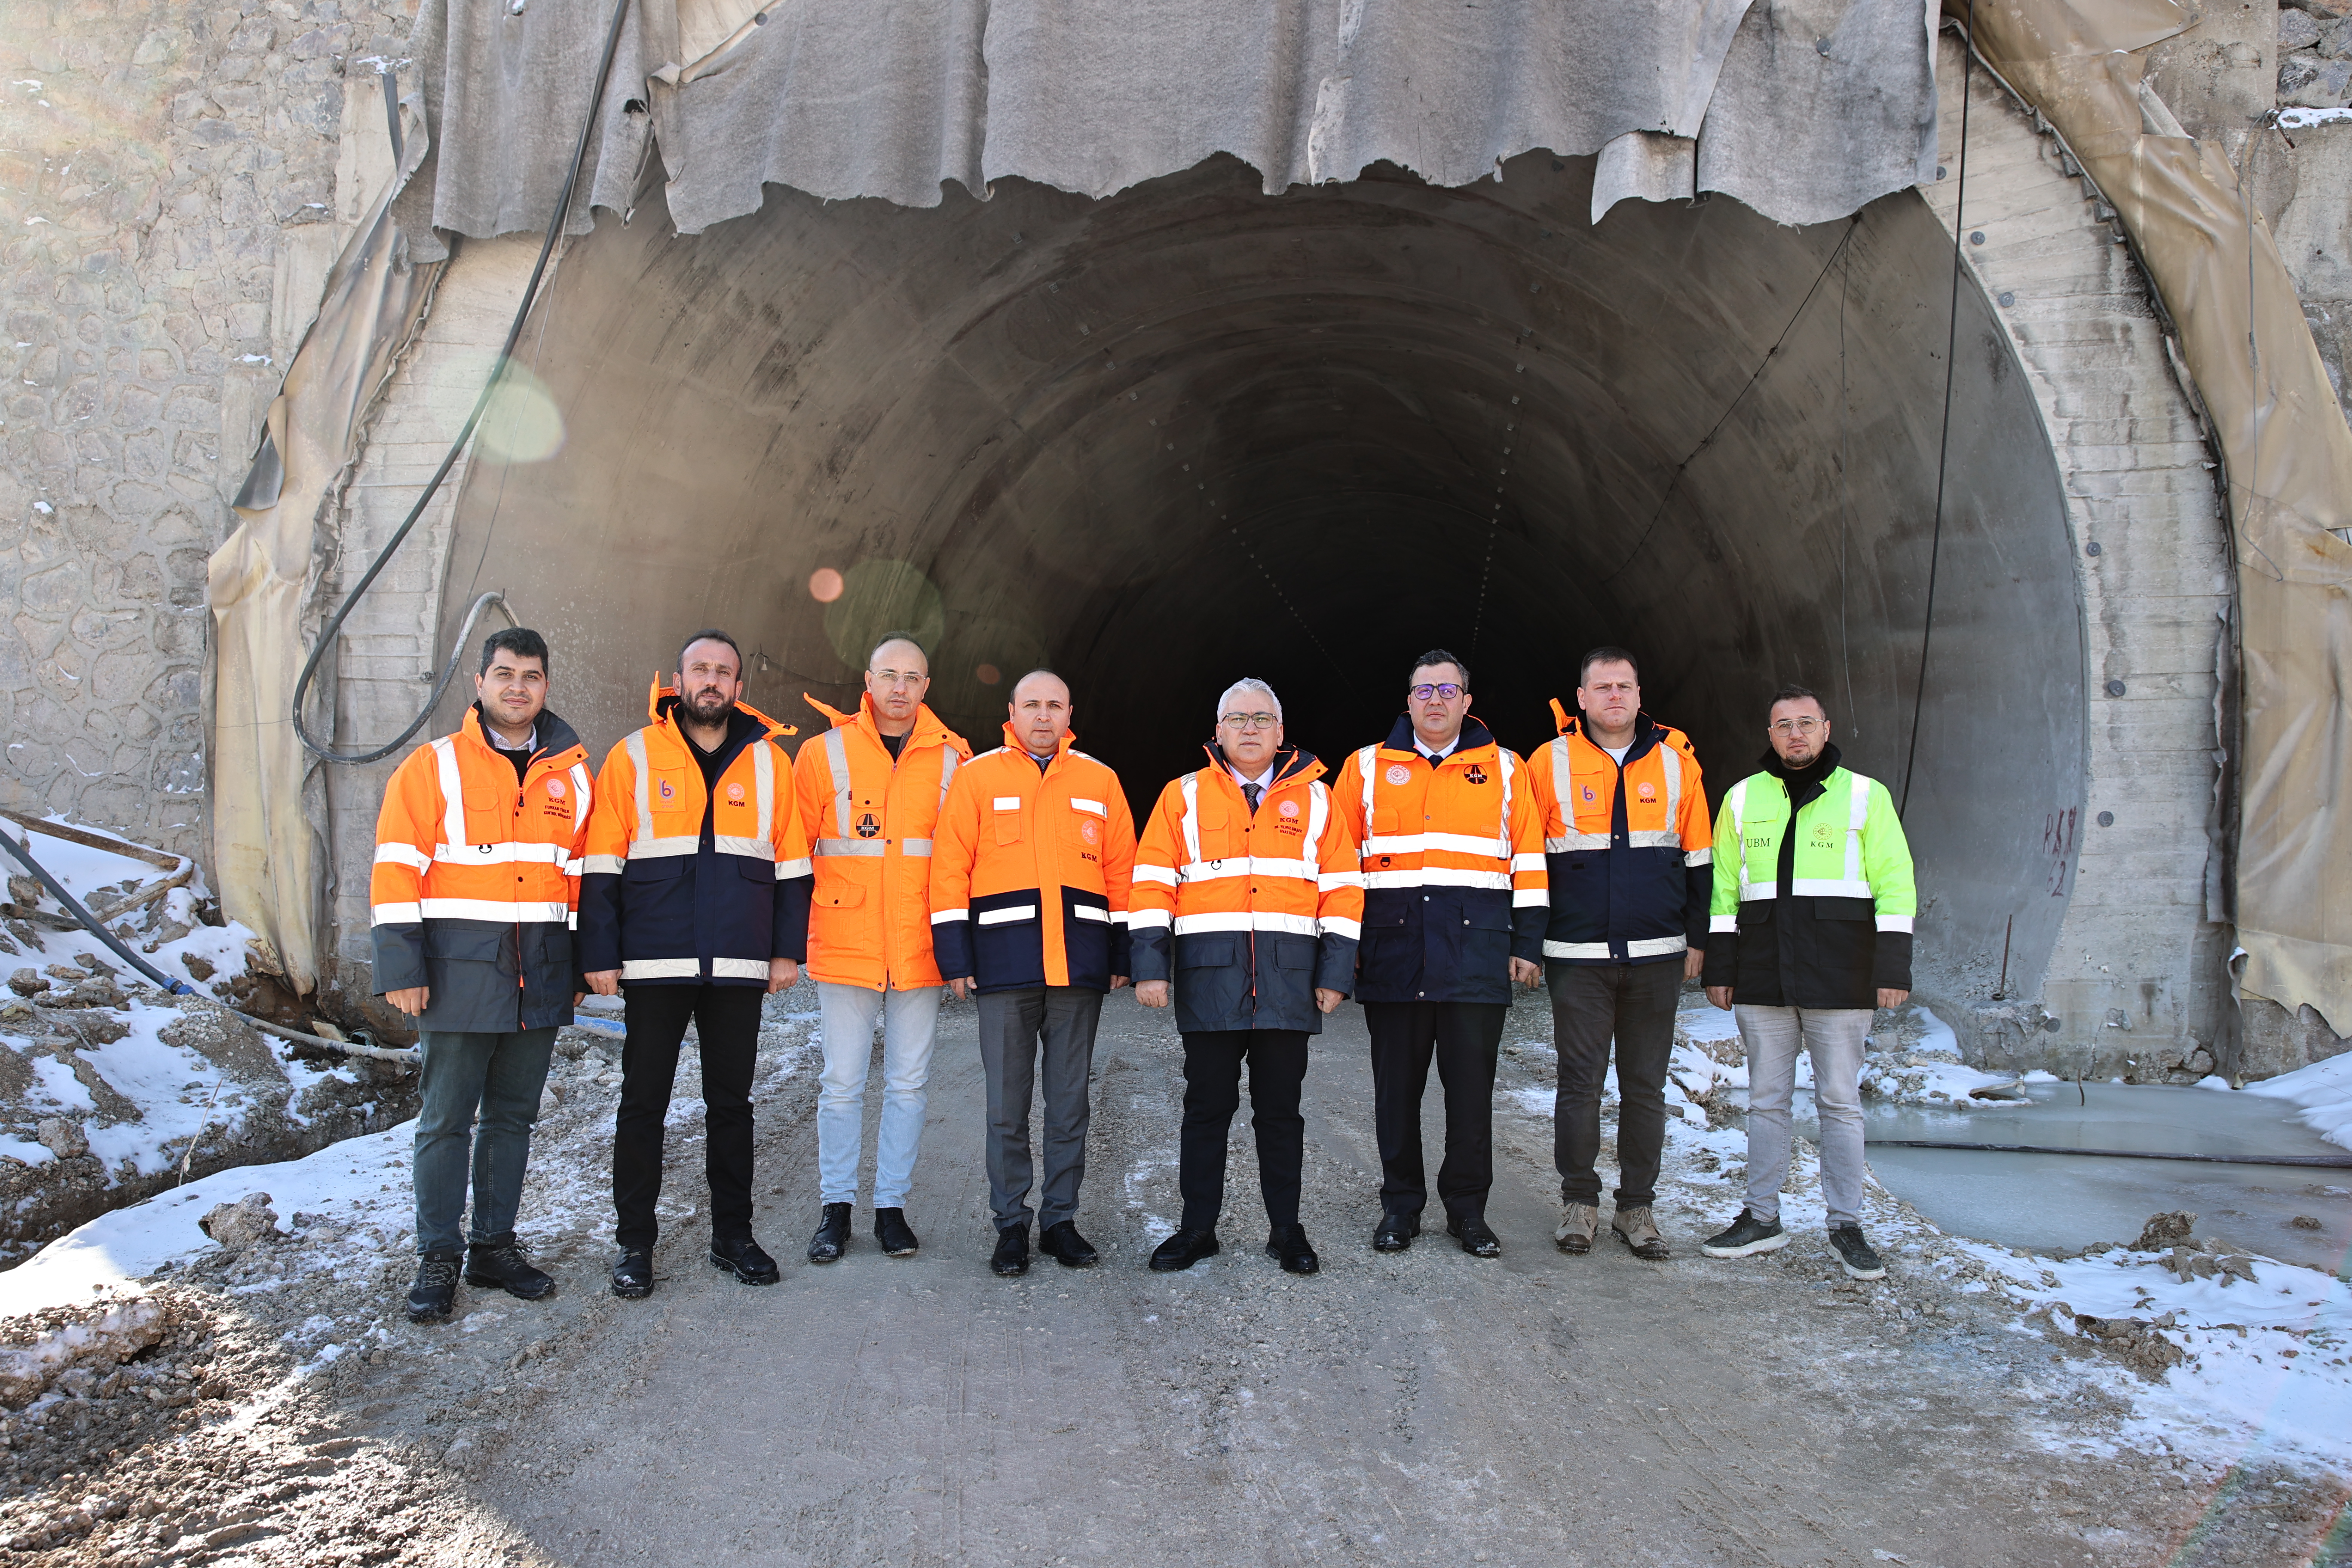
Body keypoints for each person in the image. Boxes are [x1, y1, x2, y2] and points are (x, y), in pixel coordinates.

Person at [579, 630, 812, 1299]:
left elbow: (793, 868)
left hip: (739, 964)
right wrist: (599, 954)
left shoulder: (771, 764)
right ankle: (634, 1246)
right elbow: (602, 863)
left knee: (732, 1107)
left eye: (724, 672)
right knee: (643, 1106)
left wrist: (785, 951)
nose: (712, 680)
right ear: (675, 681)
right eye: (700, 669)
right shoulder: (632, 756)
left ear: (741, 687)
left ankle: (733, 1237)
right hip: (653, 964)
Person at [371, 627, 593, 1324]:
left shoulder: (574, 773)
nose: (517, 687)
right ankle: (438, 1254)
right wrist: (401, 967)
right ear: (480, 683)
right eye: (504, 674)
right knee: (444, 1121)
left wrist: (582, 967)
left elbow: (584, 880)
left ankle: (493, 1246)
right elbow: (395, 870)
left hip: (542, 972)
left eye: (530, 676)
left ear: (546, 686)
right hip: (457, 973)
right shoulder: (431, 767)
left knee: (513, 1118)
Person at [1128, 678, 1363, 1276]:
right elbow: (1153, 886)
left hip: (1288, 981)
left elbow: (1342, 891)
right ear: (1219, 731)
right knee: (1206, 1109)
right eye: (1238, 718)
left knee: (1281, 1112)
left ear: (1282, 732)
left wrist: (1336, 973)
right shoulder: (1181, 796)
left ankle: (1286, 1230)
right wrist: (1150, 968)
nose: (1251, 728)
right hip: (1211, 980)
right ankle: (1197, 1230)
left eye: (1262, 718)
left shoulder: (1318, 801)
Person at [1334, 649, 1547, 1258]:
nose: (1435, 700)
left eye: (1448, 690)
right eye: (1424, 690)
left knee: (1471, 1097)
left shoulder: (1506, 769)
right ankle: (1400, 1209)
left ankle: (1467, 1212)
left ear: (1467, 701)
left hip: (1476, 958)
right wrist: (1344, 948)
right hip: (1394, 956)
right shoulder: (1366, 767)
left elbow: (1528, 861)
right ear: (1407, 701)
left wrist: (1527, 944)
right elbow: (1339, 866)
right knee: (1395, 1095)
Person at [1699, 683, 1916, 1282]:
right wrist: (1720, 967)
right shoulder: (1742, 800)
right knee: (1766, 1100)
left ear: (1826, 728)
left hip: (1841, 975)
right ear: (1769, 736)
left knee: (1840, 1104)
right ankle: (1761, 1217)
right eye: (1783, 725)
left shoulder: (1866, 797)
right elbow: (1723, 893)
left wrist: (1892, 967)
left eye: (1806, 723)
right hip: (1764, 974)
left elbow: (1896, 882)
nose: (1795, 734)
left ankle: (1847, 1225)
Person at [930, 669, 1136, 1277]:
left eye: (1054, 705)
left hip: (1078, 965)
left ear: (1070, 711)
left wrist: (1124, 955)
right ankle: (1011, 1224)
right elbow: (949, 870)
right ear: (1012, 713)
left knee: (1069, 1102)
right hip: (1003, 964)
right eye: (1032, 705)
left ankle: (1061, 1221)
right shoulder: (976, 778)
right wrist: (955, 957)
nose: (1043, 716)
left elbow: (1122, 875)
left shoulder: (1100, 780)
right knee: (1006, 1105)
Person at [1525, 648, 1712, 1262]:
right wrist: (1526, 944)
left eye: (1623, 686)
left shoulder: (1678, 764)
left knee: (1645, 1087)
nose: (1613, 696)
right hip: (1576, 956)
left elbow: (1700, 861)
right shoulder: (1545, 763)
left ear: (1639, 694)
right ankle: (1579, 1202)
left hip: (1657, 956)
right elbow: (1526, 860)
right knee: (1579, 1083)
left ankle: (1637, 1207)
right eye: (1600, 687)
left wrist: (1700, 939)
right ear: (1579, 698)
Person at [794, 633, 972, 1264]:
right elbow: (794, 854)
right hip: (846, 944)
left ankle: (891, 1207)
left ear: (928, 687)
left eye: (913, 678)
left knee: (908, 1084)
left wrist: (961, 950)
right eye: (889, 676)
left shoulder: (955, 758)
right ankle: (835, 1208)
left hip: (919, 947)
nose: (900, 688)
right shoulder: (822, 754)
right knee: (841, 1082)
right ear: (867, 682)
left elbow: (961, 863)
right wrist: (786, 945)